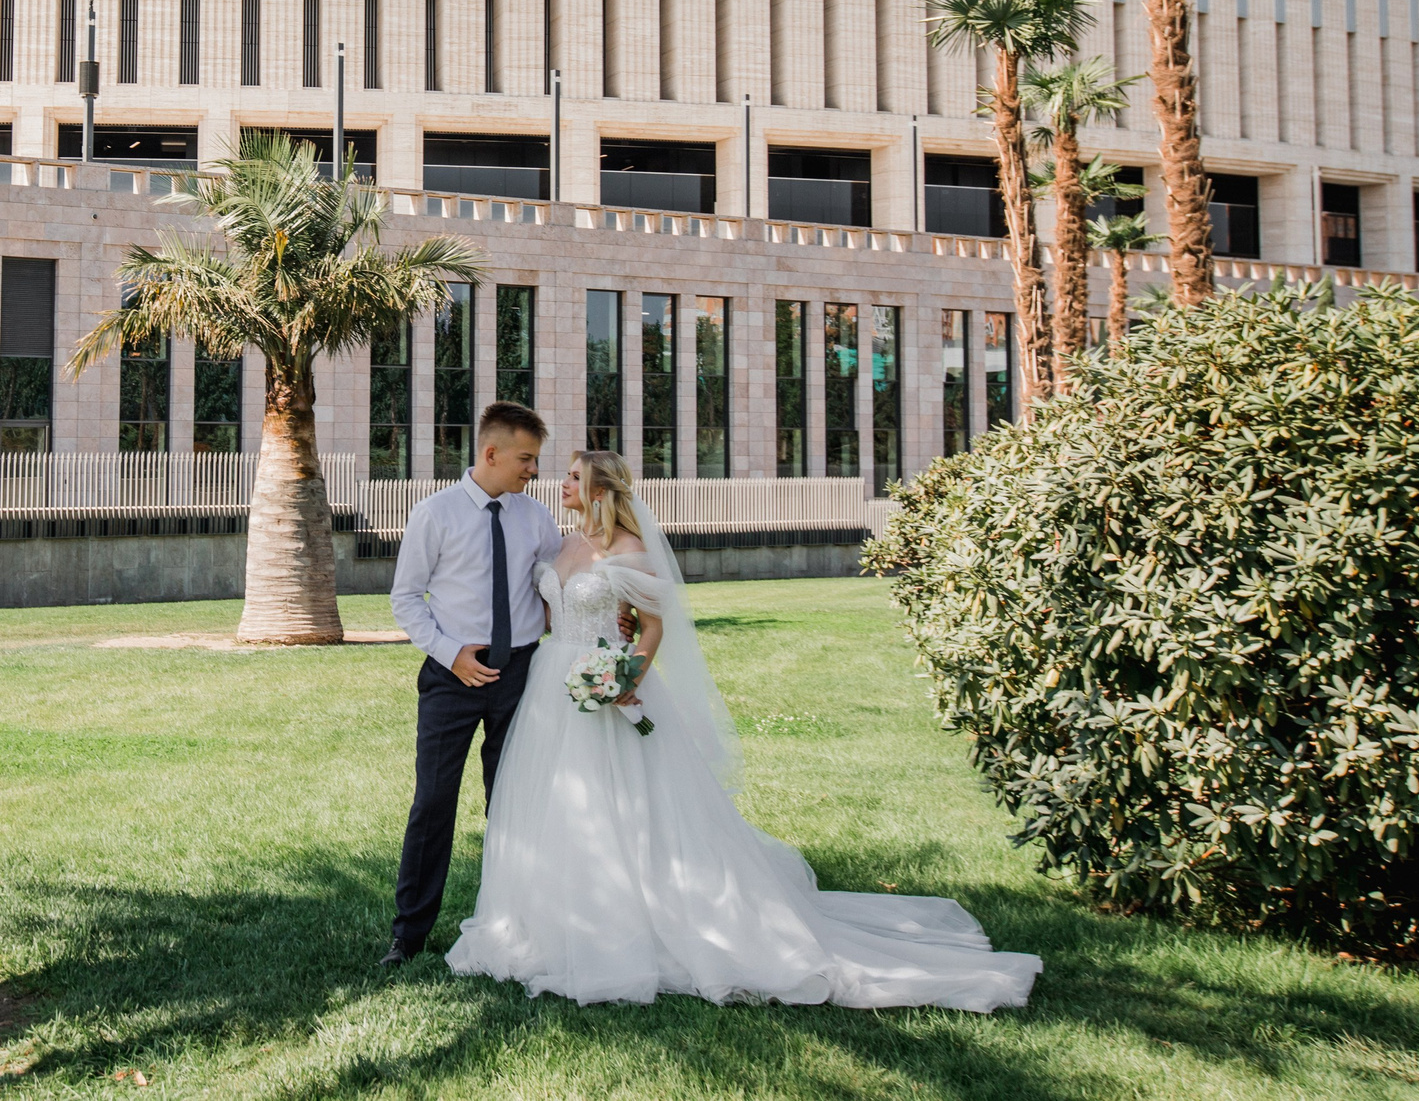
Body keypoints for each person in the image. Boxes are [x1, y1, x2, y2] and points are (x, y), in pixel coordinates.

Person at [443, 450, 1045, 1012]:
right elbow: (556, 609)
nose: (563, 483)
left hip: (607, 687)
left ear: (600, 489)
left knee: (623, 803)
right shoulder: (566, 542)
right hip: (552, 683)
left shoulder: (632, 550)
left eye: (575, 477)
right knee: (555, 803)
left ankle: (638, 922)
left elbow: (653, 627)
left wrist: (626, 676)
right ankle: (551, 916)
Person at [381, 401, 561, 967]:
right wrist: (450, 653)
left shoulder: (537, 518)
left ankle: (520, 924)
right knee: (434, 801)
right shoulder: (435, 514)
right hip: (450, 677)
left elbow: (558, 586)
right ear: (491, 453)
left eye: (536, 459)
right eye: (526, 459)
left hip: (522, 676)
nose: (534, 470)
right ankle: (408, 936)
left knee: (514, 801)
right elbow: (405, 598)